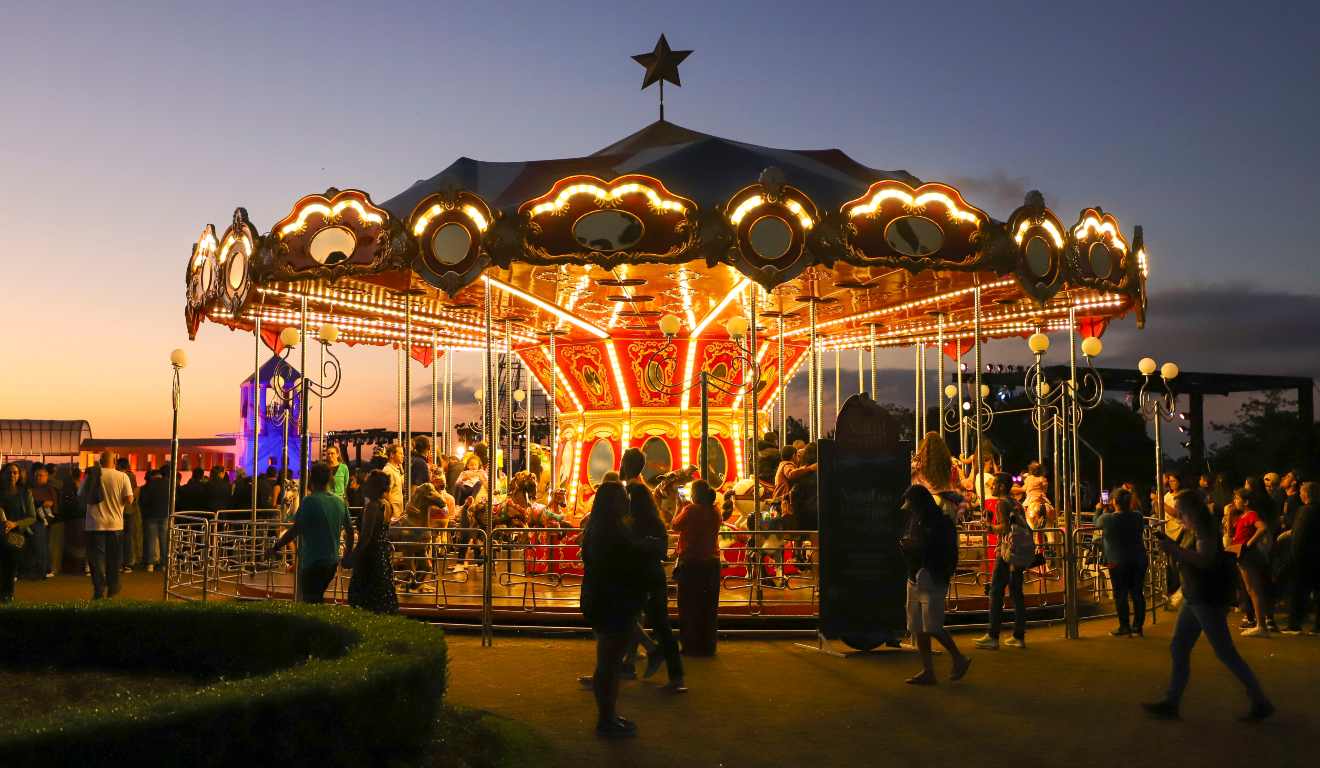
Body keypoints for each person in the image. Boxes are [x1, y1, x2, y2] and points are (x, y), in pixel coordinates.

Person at [1143, 491, 1273, 722]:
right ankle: (1172, 700)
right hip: (1195, 596)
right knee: (1180, 647)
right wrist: (1171, 544)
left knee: (1224, 651)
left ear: (1192, 509)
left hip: (1205, 597)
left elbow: (1204, 559)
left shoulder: (1203, 530)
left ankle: (1260, 700)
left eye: (1181, 509)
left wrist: (1174, 550)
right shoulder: (1193, 528)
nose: (1179, 513)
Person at [579, 481, 648, 738]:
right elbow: (617, 565)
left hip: (606, 599)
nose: (627, 502)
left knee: (610, 660)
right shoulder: (610, 532)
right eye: (622, 498)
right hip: (612, 601)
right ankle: (605, 718)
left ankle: (608, 714)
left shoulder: (602, 529)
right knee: (608, 661)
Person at [620, 447, 685, 691]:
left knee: (646, 618)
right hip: (646, 563)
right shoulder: (641, 491)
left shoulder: (634, 492)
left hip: (641, 565)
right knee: (634, 615)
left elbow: (630, 526)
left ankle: (668, 667)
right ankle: (628, 662)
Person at [899, 484, 971, 685]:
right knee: (917, 626)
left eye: (912, 504)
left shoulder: (941, 523)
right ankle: (928, 670)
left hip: (933, 578)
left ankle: (958, 657)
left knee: (931, 625)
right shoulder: (916, 520)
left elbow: (947, 553)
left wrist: (939, 572)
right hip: (914, 576)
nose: (910, 509)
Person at [268, 462, 354, 603]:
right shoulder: (339, 502)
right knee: (317, 596)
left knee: (310, 599)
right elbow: (350, 531)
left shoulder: (309, 501)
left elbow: (295, 530)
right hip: (331, 561)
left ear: (311, 480)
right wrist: (347, 554)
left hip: (312, 561)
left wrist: (276, 547)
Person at [976, 474, 1029, 650]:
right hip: (1018, 552)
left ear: (1001, 486)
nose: (991, 486)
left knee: (996, 590)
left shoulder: (1001, 503)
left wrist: (990, 527)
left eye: (994, 483)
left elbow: (1005, 527)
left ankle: (993, 635)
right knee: (1016, 593)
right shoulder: (1017, 503)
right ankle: (1018, 636)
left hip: (1007, 551)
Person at [671, 479, 722, 656]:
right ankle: (707, 645)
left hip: (692, 562)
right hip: (712, 563)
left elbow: (675, 525)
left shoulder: (690, 510)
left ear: (694, 494)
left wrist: (679, 506)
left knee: (687, 606)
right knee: (708, 607)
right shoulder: (715, 511)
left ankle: (690, 645)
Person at [81, 452, 135, 600]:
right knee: (114, 560)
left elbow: (81, 495)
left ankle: (99, 589)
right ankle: (113, 589)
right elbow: (129, 499)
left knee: (96, 560)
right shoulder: (122, 476)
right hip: (115, 525)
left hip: (94, 524)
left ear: (100, 461)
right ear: (115, 461)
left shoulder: (91, 476)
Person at [345, 470, 398, 614]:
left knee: (362, 599)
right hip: (382, 554)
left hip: (370, 556)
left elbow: (366, 536)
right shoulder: (387, 504)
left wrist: (353, 557)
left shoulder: (372, 506)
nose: (364, 486)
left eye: (367, 483)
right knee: (381, 598)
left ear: (374, 486)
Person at [1097, 487, 1149, 637]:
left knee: (1121, 594)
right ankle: (1138, 626)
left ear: (1114, 501)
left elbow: (1097, 522)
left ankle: (1124, 626)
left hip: (1117, 561)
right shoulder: (1138, 516)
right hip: (1138, 559)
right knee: (1137, 593)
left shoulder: (1108, 518)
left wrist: (1101, 509)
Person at [1229, 487, 1274, 637]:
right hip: (1240, 553)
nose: (1235, 501)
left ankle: (1261, 625)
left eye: (1237, 498)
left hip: (1246, 555)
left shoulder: (1251, 514)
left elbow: (1262, 528)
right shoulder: (1242, 516)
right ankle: (1260, 624)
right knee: (1250, 590)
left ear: (1246, 501)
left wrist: (1248, 544)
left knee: (1253, 590)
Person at [1284, 482, 1317, 635]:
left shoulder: (1305, 511)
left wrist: (1293, 556)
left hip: (1304, 557)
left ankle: (1294, 623)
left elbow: (1299, 537)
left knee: (1298, 590)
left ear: (1305, 494)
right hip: (1314, 555)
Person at [0, 463, 36, 601]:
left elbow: (32, 518)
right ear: (2, 474)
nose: (12, 475)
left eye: (15, 472)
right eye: (8, 472)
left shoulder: (25, 493)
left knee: (10, 565)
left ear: (19, 475)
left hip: (15, 535)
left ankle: (8, 595)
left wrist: (14, 524)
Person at [26, 465, 57, 579]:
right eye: (37, 475)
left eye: (41, 475)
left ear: (46, 476)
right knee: (38, 546)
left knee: (44, 546)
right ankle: (41, 569)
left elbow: (55, 504)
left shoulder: (50, 489)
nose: (39, 478)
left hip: (47, 520)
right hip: (35, 520)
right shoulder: (29, 489)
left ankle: (44, 569)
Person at [138, 468, 170, 572]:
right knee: (164, 540)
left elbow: (143, 501)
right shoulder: (168, 484)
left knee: (150, 540)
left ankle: (150, 564)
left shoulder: (147, 486)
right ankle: (164, 564)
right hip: (165, 515)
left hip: (150, 516)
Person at [116, 458, 141, 572]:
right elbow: (134, 491)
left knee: (118, 537)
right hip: (129, 510)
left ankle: (118, 563)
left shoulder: (116, 476)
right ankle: (129, 563)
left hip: (117, 510)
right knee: (128, 537)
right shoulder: (131, 476)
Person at [383, 443, 406, 521]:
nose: (403, 456)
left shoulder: (395, 470)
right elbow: (386, 493)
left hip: (398, 512)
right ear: (392, 455)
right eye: (400, 453)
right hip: (393, 514)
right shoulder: (388, 471)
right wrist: (391, 509)